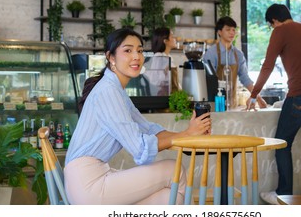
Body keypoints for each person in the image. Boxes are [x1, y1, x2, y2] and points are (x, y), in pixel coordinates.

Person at [64, 28, 212, 205]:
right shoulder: (108, 91)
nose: (136, 56)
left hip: (93, 178)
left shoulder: (116, 90)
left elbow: (149, 130)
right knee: (175, 170)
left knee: (168, 199)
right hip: (87, 185)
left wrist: (189, 133)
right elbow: (140, 148)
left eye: (140, 50)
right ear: (111, 57)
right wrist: (186, 135)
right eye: (128, 50)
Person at [248, 4, 301, 204]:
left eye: (270, 25)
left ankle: (283, 195)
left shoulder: (280, 31)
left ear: (274, 21)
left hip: (300, 96)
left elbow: (267, 65)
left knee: (282, 143)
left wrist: (253, 94)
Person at [203, 16, 267, 109]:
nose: (232, 32)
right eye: (228, 29)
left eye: (234, 30)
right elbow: (208, 79)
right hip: (215, 104)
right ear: (219, 32)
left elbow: (245, 78)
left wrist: (257, 97)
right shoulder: (211, 53)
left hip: (232, 103)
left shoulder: (239, 54)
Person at [150, 27, 181, 94]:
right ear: (165, 41)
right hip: (166, 97)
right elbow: (155, 81)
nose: (175, 39)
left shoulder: (168, 57)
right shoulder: (159, 57)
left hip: (173, 96)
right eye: (172, 37)